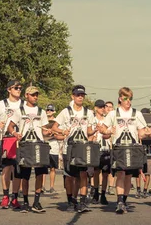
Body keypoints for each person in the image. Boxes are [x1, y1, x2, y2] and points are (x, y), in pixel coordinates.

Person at [99, 87, 150, 214]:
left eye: (130, 98)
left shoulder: (137, 114)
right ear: (120, 98)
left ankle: (124, 200)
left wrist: (145, 133)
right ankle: (120, 201)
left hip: (133, 148)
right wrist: (108, 131)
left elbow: (141, 132)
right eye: (126, 98)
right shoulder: (113, 114)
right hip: (118, 148)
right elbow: (103, 130)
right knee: (120, 173)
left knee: (129, 176)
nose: (128, 101)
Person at [8, 86, 52, 213]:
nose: (35, 97)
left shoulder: (41, 111)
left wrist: (49, 132)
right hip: (25, 145)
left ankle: (36, 202)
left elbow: (44, 130)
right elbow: (10, 126)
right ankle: (26, 202)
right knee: (25, 175)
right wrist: (15, 134)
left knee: (40, 173)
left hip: (38, 144)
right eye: (33, 95)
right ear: (26, 95)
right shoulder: (20, 111)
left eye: (36, 95)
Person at [52, 85, 96, 213]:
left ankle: (82, 202)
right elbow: (54, 127)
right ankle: (71, 201)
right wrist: (63, 131)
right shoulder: (66, 111)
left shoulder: (88, 113)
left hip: (82, 147)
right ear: (73, 96)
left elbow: (88, 131)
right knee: (70, 176)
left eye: (82, 95)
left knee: (83, 175)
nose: (80, 97)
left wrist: (94, 131)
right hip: (69, 148)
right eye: (78, 95)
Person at [0, 79, 23, 210]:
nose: (19, 90)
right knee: (6, 169)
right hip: (6, 139)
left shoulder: (23, 104)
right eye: (16, 88)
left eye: (20, 88)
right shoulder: (1, 104)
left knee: (17, 169)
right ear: (9, 89)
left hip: (20, 139)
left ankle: (15, 197)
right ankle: (5, 196)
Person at [91, 99, 111, 205]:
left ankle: (103, 194)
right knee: (96, 172)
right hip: (95, 148)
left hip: (105, 148)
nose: (102, 109)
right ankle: (95, 192)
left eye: (104, 107)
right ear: (95, 108)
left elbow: (109, 134)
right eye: (100, 107)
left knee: (105, 173)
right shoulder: (92, 120)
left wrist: (104, 132)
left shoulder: (107, 120)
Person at [44, 104, 59, 194]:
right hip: (44, 144)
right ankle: (41, 186)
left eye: (51, 110)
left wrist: (53, 133)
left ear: (54, 111)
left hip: (54, 145)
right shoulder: (43, 120)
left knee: (52, 168)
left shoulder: (56, 121)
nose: (49, 112)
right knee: (43, 167)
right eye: (48, 110)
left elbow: (58, 132)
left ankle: (52, 186)